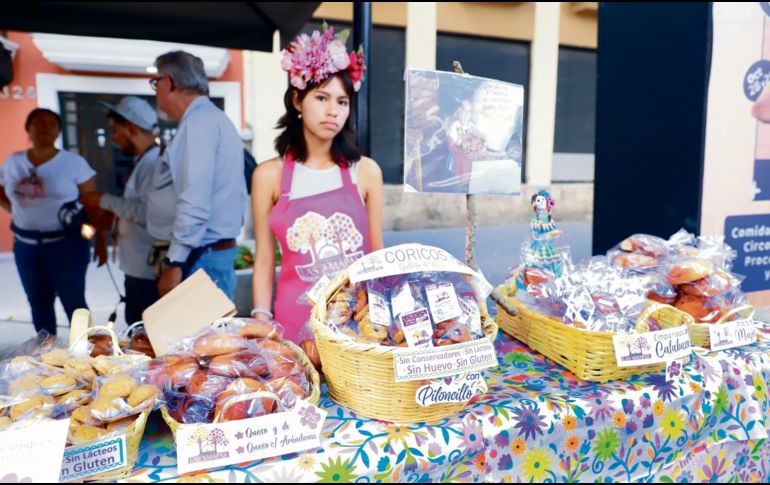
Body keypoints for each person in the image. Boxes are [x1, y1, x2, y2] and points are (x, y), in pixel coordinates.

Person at [251, 26, 384, 342]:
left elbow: (377, 253)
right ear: (297, 100)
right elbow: (265, 258)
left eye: (342, 102)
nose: (332, 111)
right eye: (321, 98)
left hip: (358, 321)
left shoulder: (365, 171)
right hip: (294, 321)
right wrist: (260, 319)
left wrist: (382, 312)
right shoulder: (268, 176)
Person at [148, 50, 247, 299]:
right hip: (208, 253)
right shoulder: (211, 119)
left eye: (155, 82)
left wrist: (173, 262)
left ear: (168, 81)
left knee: (200, 338)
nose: (156, 90)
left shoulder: (198, 124)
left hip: (201, 256)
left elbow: (195, 201)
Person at [0, 108, 97, 336]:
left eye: (52, 123)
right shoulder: (13, 162)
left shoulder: (74, 163)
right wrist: (13, 208)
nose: (45, 127)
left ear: (59, 131)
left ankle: (89, 354)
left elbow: (91, 202)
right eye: (39, 122)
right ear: (28, 129)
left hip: (66, 245)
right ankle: (47, 355)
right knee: (39, 302)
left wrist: (99, 238)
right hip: (26, 245)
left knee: (74, 303)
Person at [80, 96, 161, 325]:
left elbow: (146, 212)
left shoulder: (153, 163)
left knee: (144, 337)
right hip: (137, 266)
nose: (114, 139)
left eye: (115, 131)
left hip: (147, 270)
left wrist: (102, 199)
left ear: (132, 129)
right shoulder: (145, 161)